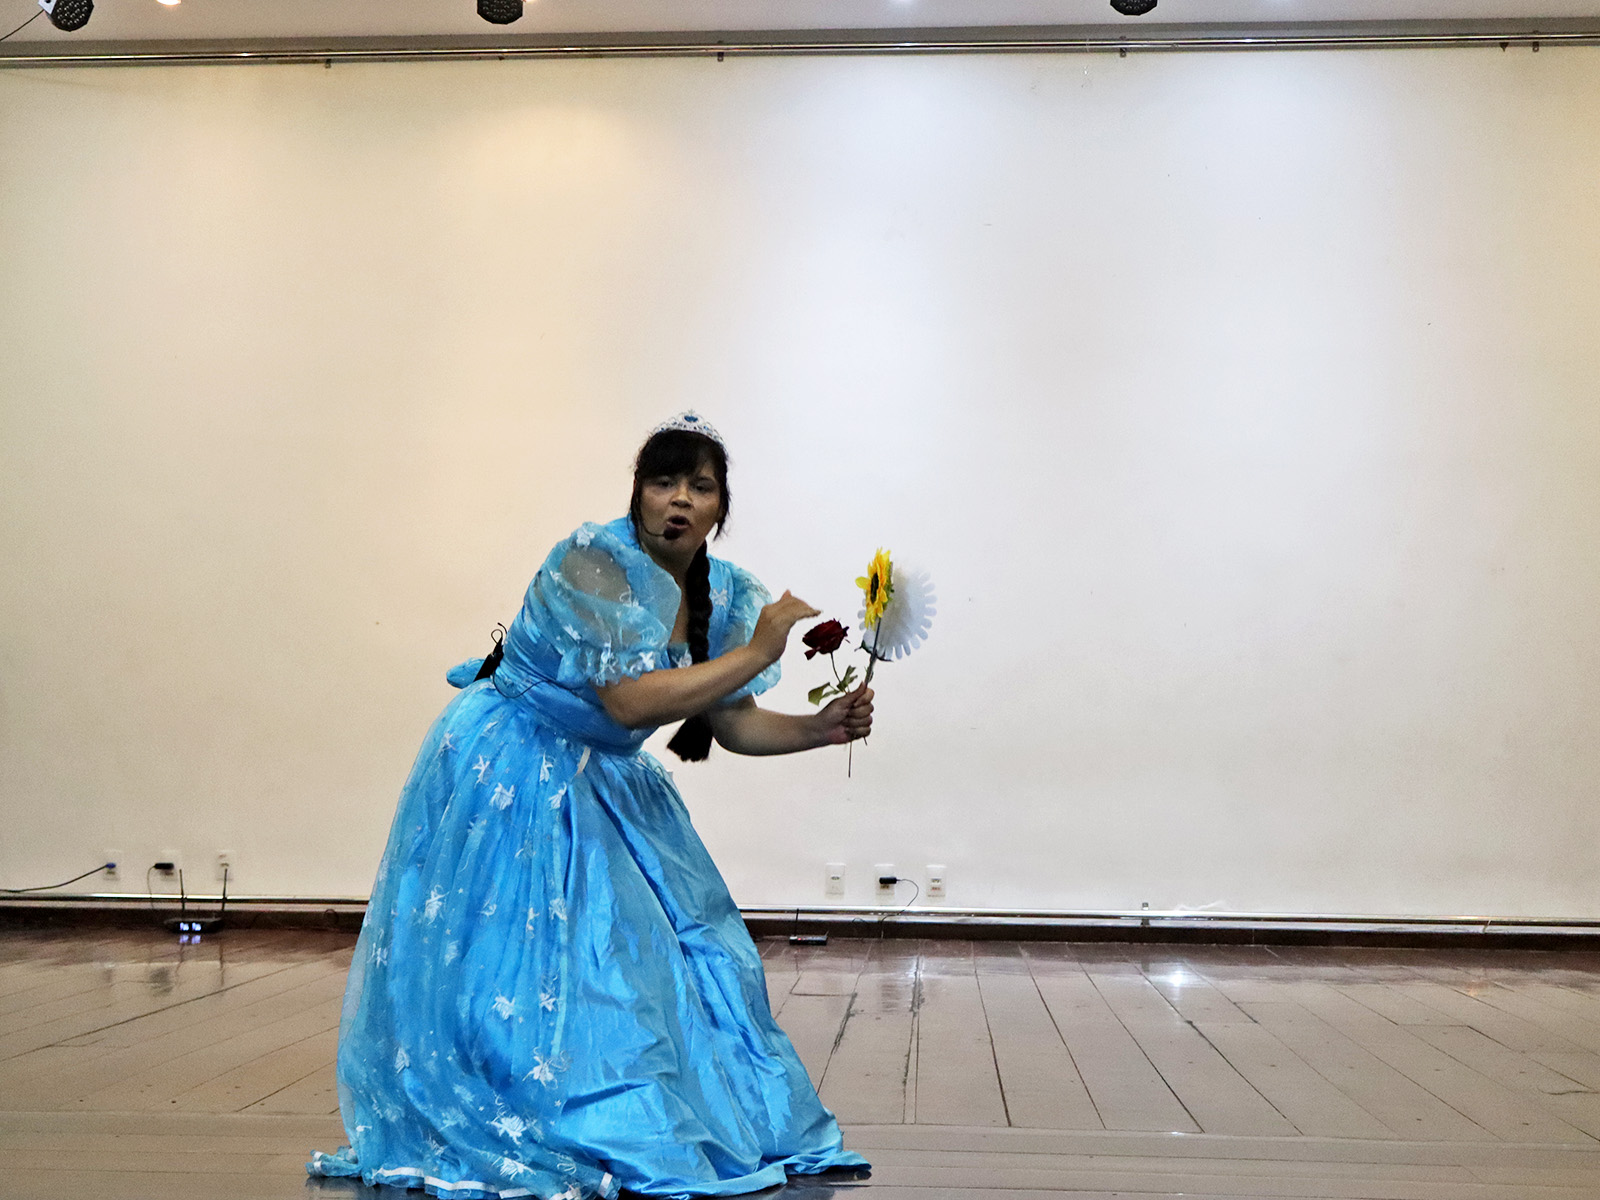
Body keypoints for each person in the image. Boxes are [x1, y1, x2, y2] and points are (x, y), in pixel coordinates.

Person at [309, 412, 873, 1200]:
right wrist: (756, 652)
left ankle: (649, 1112)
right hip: (516, 761)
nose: (680, 500)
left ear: (721, 507)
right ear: (638, 495)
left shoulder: (726, 594)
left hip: (603, 771)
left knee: (669, 952)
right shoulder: (594, 563)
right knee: (524, 958)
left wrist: (820, 728)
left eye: (700, 487)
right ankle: (535, 1110)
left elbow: (733, 722)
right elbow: (627, 701)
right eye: (663, 482)